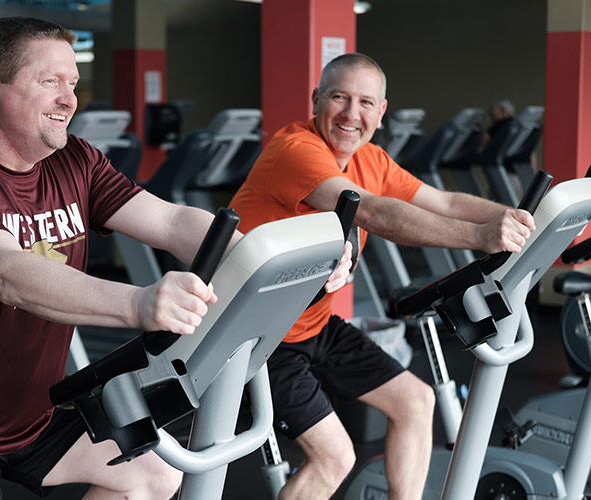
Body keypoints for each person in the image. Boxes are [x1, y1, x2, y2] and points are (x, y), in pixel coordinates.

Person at [0, 17, 351, 500]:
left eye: (72, 82)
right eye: (49, 81)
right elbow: (3, 273)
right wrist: (140, 304)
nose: (69, 99)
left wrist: (267, 261)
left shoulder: (76, 160)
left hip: (31, 417)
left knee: (153, 477)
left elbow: (173, 223)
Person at [229, 53, 535, 500]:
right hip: (256, 336)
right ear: (316, 100)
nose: (352, 114)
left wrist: (525, 220)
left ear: (382, 111)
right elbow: (369, 210)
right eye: (340, 98)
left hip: (312, 327)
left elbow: (445, 203)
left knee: (416, 401)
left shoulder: (371, 158)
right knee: (336, 457)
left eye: (365, 102)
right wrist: (481, 235)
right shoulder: (296, 151)